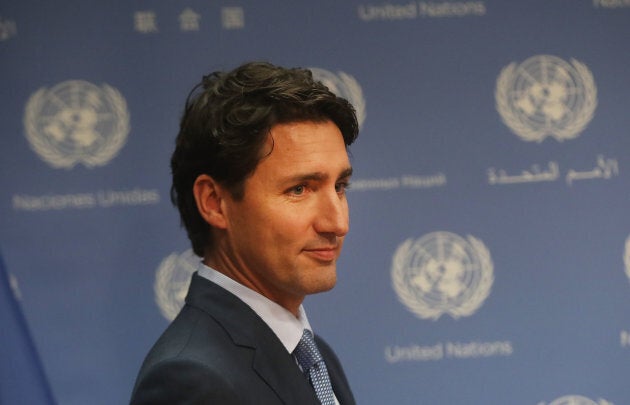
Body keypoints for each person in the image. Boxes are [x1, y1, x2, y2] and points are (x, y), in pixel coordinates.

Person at [130, 61, 359, 404]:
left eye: (340, 186)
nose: (337, 223)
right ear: (214, 202)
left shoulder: (312, 354)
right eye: (299, 189)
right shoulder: (192, 380)